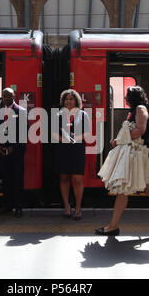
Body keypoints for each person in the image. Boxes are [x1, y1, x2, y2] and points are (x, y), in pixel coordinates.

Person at [95, 86, 149, 235]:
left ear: (132, 97)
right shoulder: (136, 110)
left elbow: (140, 130)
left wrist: (120, 139)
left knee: (123, 189)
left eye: (126, 96)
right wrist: (120, 139)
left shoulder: (140, 109)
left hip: (135, 155)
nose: (125, 98)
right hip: (135, 154)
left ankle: (112, 226)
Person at [53, 89, 91, 220]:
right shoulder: (58, 114)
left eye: (71, 98)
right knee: (63, 178)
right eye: (66, 99)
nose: (68, 101)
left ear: (76, 101)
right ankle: (67, 207)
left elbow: (87, 133)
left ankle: (78, 208)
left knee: (77, 179)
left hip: (77, 149)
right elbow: (53, 133)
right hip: (62, 149)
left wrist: (76, 138)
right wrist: (63, 139)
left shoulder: (83, 114)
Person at [0, 88, 28, 218]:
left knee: (18, 179)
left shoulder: (22, 111)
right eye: (4, 96)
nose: (6, 98)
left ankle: (18, 207)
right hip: (2, 151)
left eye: (8, 96)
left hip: (17, 151)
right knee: (6, 179)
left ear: (13, 96)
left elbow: (25, 131)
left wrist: (13, 147)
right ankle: (7, 205)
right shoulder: (0, 111)